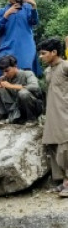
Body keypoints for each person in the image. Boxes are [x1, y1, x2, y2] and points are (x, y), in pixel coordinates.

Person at [38, 39, 68, 197]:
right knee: (52, 144)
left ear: (54, 52)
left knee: (65, 145)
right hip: (52, 112)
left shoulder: (65, 66)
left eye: (43, 53)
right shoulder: (48, 71)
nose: (40, 57)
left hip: (65, 111)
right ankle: (62, 180)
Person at [0, 0, 40, 75]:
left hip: (26, 48)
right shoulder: (2, 11)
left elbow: (34, 22)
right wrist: (6, 15)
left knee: (25, 76)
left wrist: (34, 6)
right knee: (5, 74)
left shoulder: (27, 8)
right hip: (7, 48)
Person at [0, 55, 44, 124]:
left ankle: (32, 119)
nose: (5, 74)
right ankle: (5, 115)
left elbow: (35, 86)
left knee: (23, 93)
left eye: (7, 71)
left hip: (33, 107)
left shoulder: (27, 73)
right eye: (3, 72)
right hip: (17, 108)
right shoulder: (4, 78)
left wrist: (11, 86)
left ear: (15, 66)